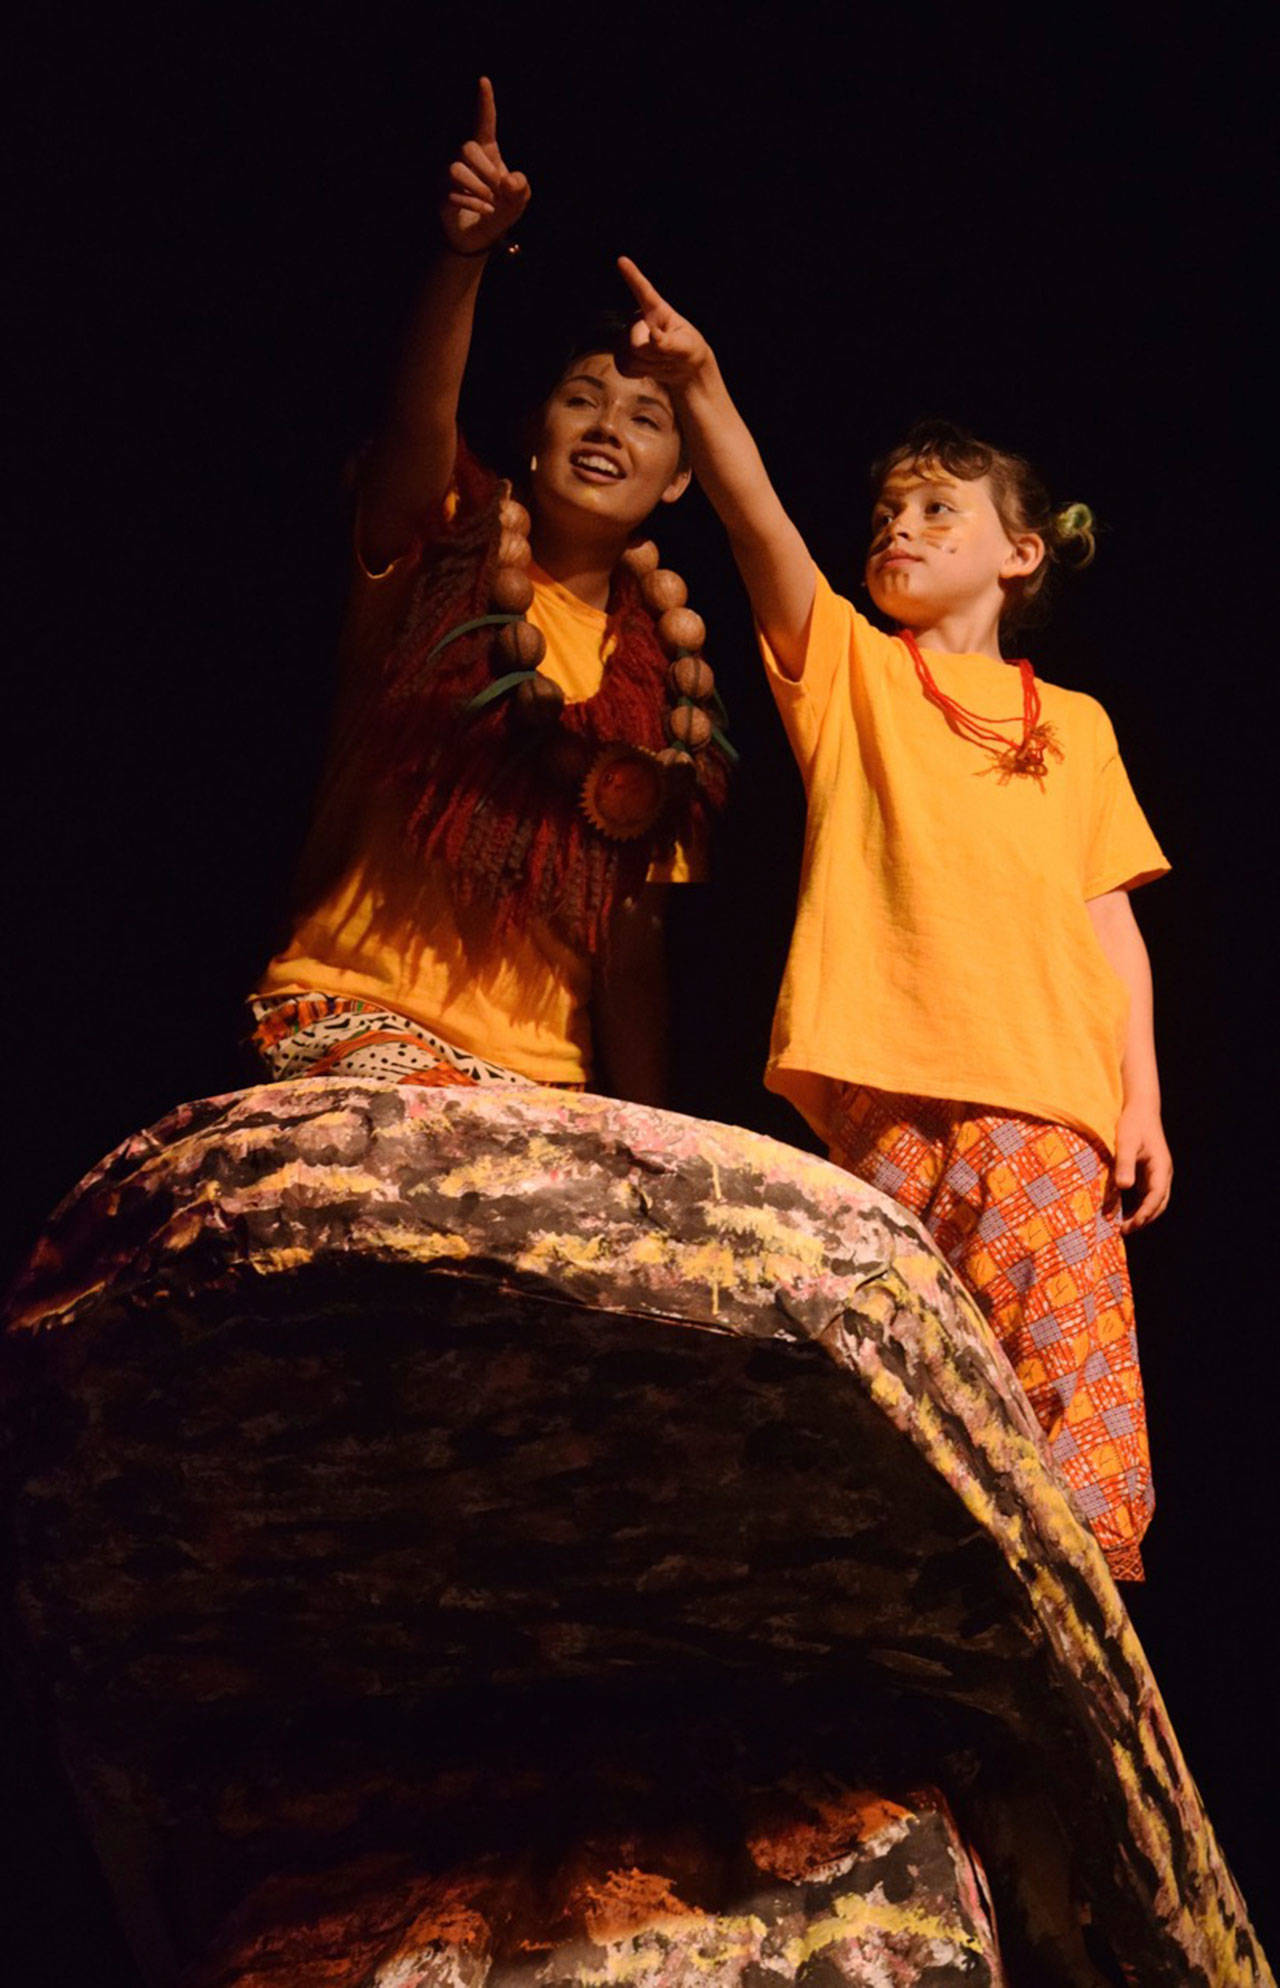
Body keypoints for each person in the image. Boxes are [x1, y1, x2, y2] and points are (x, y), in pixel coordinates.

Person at [615, 257, 1170, 1581]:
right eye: (886, 510)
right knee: (882, 1374)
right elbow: (759, 530)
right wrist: (702, 387)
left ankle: (1071, 1620)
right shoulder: (855, 671)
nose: (899, 527)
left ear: (1020, 552)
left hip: (1045, 1105)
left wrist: (1139, 1101)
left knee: (1071, 1410)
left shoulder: (1075, 728)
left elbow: (1111, 923)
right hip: (886, 1102)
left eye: (936, 508)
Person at [247, 84, 728, 1106]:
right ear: (533, 431)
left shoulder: (672, 692)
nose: (606, 429)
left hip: (544, 1075)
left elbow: (629, 962)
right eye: (580, 400)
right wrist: (463, 258)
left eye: (646, 418)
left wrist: (642, 1141)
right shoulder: (440, 563)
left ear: (679, 478)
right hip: (357, 1015)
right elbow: (420, 417)